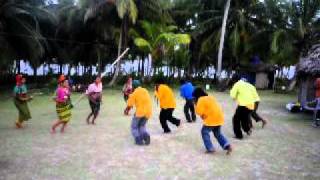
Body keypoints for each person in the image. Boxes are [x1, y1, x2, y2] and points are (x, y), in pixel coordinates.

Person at [193, 87, 232, 154]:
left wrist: (195, 104)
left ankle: (210, 148)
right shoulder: (210, 97)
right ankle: (227, 145)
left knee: (204, 132)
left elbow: (198, 112)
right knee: (218, 133)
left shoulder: (201, 99)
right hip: (219, 117)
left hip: (211, 119)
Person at [124, 80, 152, 145]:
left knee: (134, 127)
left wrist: (126, 111)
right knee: (142, 125)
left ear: (134, 86)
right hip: (148, 112)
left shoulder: (134, 93)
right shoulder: (145, 90)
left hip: (140, 112)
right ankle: (146, 135)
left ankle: (138, 140)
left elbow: (129, 105)